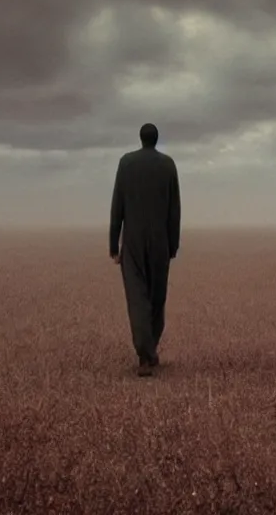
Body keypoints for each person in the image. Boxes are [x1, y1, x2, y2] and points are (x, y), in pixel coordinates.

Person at [109, 123, 181, 378]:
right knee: (156, 297)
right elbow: (174, 209)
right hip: (161, 240)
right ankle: (150, 351)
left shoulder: (126, 163)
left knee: (137, 297)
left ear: (140, 139)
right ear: (156, 139)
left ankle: (144, 354)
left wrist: (113, 245)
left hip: (133, 241)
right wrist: (174, 244)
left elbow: (117, 204)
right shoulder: (168, 165)